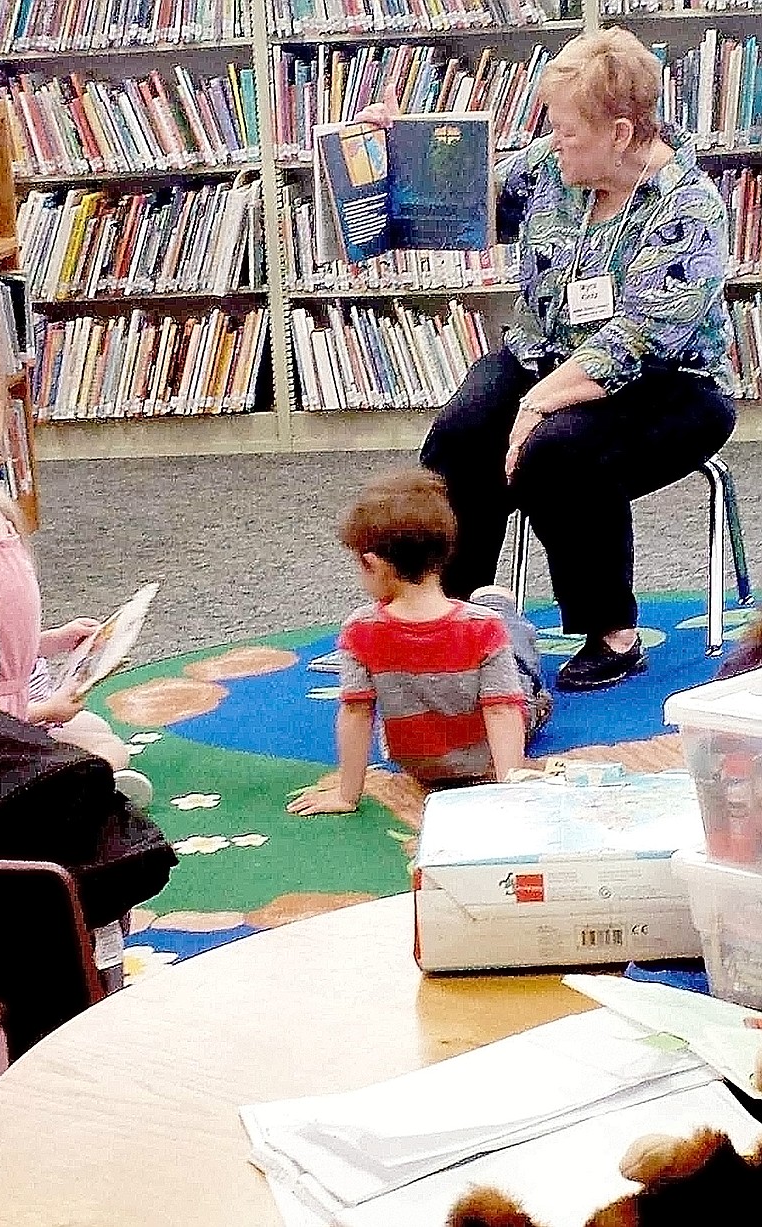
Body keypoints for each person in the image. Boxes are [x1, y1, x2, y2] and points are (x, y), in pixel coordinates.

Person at [365, 28, 737, 691]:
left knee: (555, 451)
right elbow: (463, 198)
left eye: (567, 129)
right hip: (545, 351)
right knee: (462, 432)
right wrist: (400, 148)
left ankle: (612, 632)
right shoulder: (551, 169)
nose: (553, 139)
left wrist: (537, 403)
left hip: (667, 386)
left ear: (621, 133)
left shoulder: (689, 208)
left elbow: (636, 339)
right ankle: (457, 616)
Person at [0, 308, 151, 807]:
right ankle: (74, 799)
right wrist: (42, 713)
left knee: (93, 731)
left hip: (7, 707)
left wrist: (52, 643)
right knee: (93, 753)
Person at [287, 469, 537, 817]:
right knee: (509, 656)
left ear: (371, 563)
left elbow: (356, 712)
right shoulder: (482, 629)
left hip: (426, 764)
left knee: (525, 676)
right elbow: (501, 709)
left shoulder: (360, 631)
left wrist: (347, 795)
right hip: (485, 754)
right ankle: (495, 604)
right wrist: (513, 790)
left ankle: (500, 607)